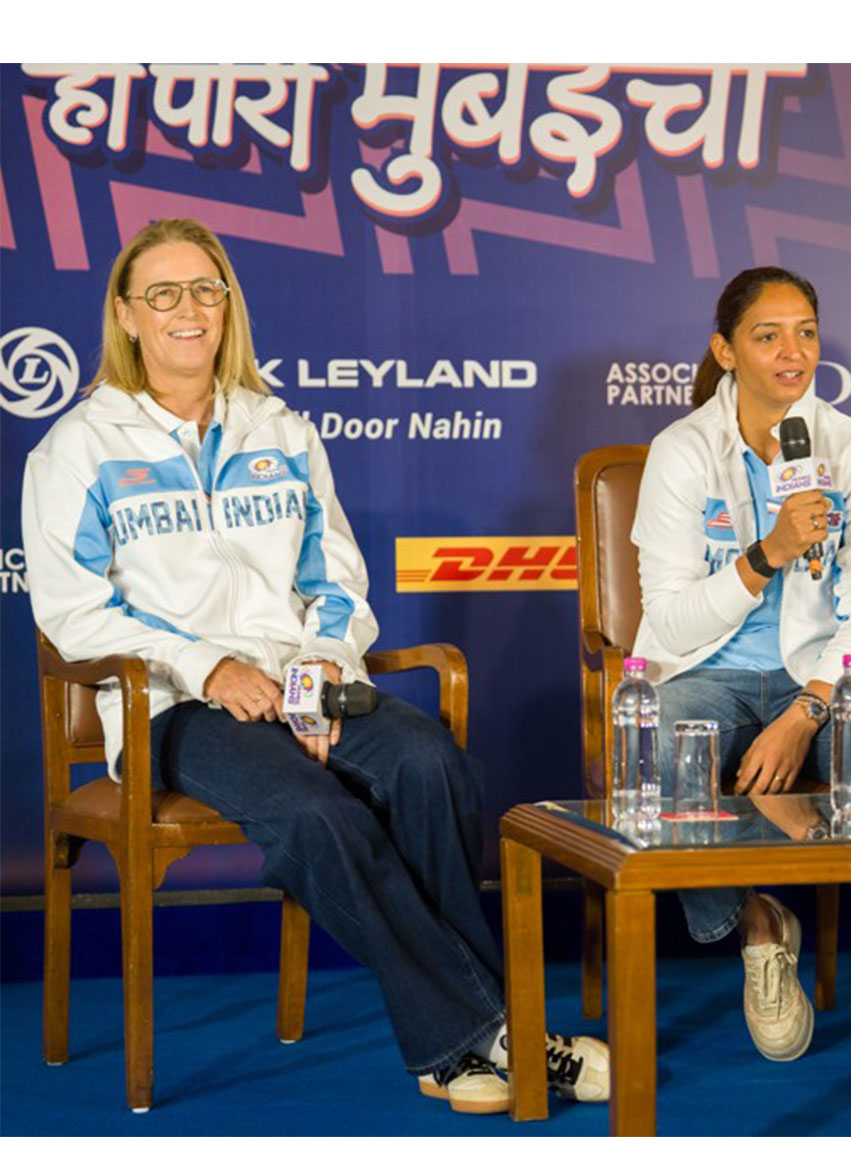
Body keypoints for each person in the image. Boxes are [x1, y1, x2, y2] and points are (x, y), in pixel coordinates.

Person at [21, 217, 608, 1116]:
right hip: (169, 707)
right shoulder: (77, 448)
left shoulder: (282, 429)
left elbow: (333, 576)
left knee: (431, 765)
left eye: (206, 290)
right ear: (127, 315)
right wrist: (207, 666)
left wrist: (317, 672)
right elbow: (72, 611)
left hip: (300, 681)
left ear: (228, 307)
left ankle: (458, 1047)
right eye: (164, 294)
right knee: (314, 814)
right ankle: (494, 1033)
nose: (189, 310)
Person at [630, 266, 851, 1100]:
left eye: (807, 331)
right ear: (725, 349)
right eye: (768, 334)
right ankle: (757, 923)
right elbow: (668, 624)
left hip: (816, 676)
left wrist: (813, 707)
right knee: (663, 732)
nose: (794, 351)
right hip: (701, 672)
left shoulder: (849, 446)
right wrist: (765, 555)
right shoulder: (681, 452)